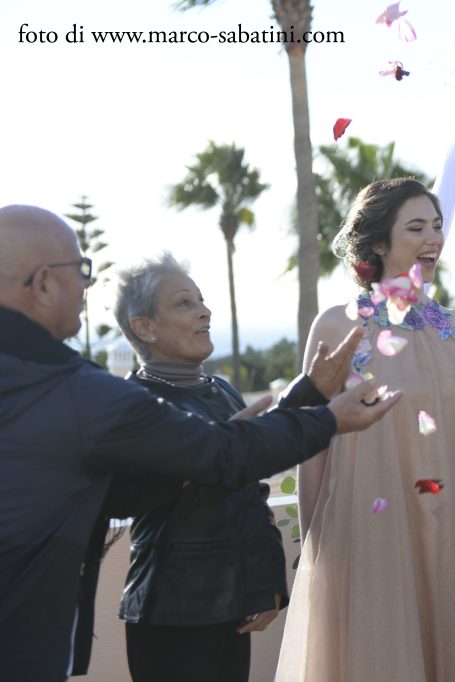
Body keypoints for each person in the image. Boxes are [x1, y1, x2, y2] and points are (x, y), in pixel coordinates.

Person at [0, 205, 398, 682]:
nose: (86, 285)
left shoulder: (210, 390)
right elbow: (221, 454)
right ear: (43, 283)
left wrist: (305, 396)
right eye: (80, 270)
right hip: (165, 613)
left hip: (225, 611)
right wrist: (327, 418)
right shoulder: (95, 396)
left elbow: (229, 459)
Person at [275, 178, 455, 681]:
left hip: (454, 532)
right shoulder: (338, 326)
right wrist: (318, 544)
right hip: (368, 532)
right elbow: (310, 441)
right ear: (378, 243)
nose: (432, 240)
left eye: (437, 227)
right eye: (416, 227)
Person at [110, 253, 352, 682]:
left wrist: (267, 584)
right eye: (184, 303)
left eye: (201, 300)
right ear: (144, 327)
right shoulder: (134, 404)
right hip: (172, 615)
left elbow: (250, 483)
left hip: (231, 608)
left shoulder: (220, 388)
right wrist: (214, 449)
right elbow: (137, 492)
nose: (204, 311)